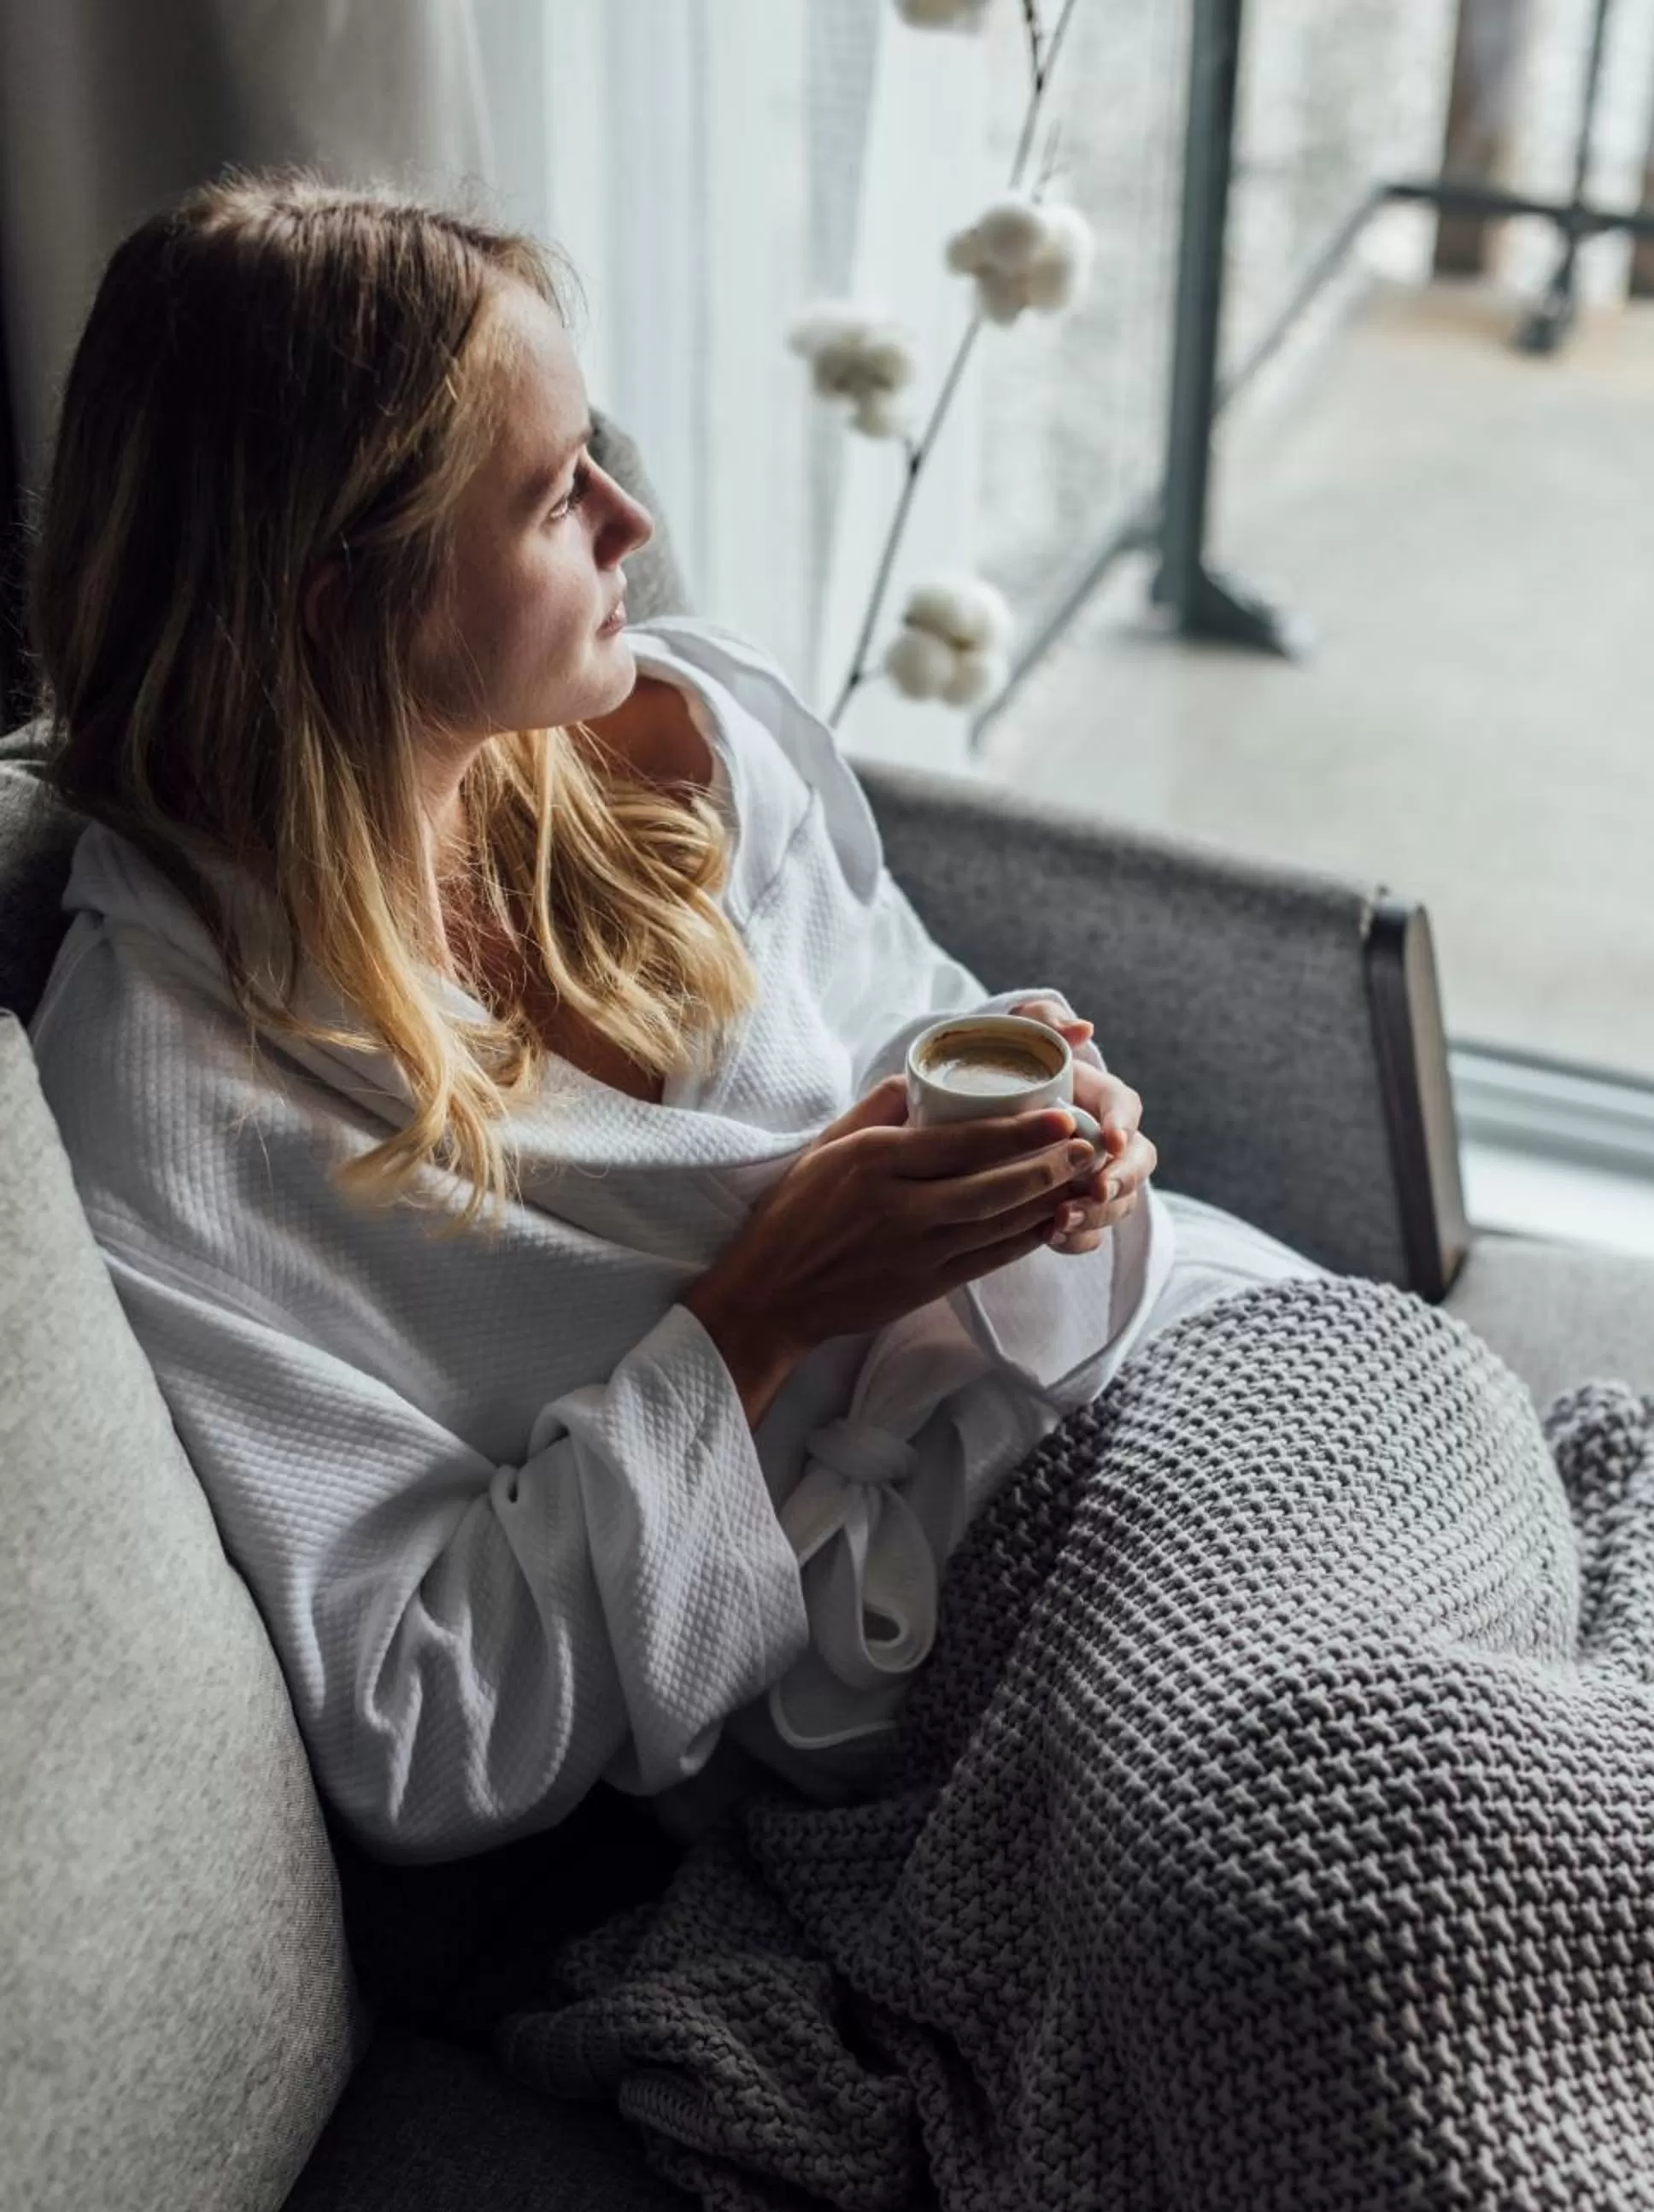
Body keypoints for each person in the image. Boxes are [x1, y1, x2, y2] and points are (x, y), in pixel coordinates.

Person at [22, 172, 1324, 2029]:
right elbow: (419, 1721)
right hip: (980, 1680)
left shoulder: (672, 739)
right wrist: (765, 1309)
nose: (633, 520)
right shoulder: (170, 1106)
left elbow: (914, 1035)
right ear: (340, 605)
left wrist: (1055, 1160)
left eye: (595, 455)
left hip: (1207, 1379)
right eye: (557, 498)